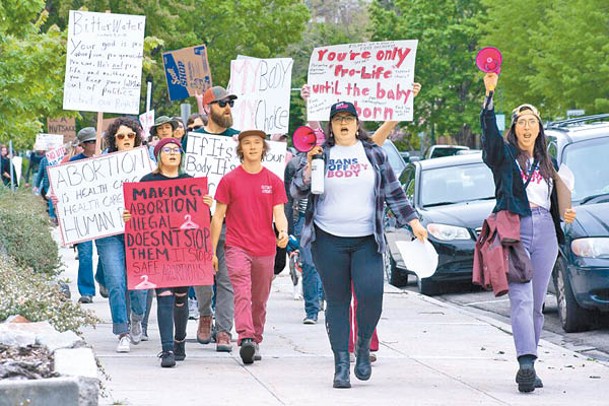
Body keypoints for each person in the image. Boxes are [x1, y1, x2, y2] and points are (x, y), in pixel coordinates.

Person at [291, 101, 427, 389]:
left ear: (356, 123)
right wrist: (308, 167)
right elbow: (296, 190)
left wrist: (413, 222)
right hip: (328, 240)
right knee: (338, 302)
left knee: (371, 296)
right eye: (338, 119)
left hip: (367, 240)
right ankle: (342, 364)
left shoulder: (374, 153)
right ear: (331, 125)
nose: (344, 123)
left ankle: (363, 345)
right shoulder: (321, 154)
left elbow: (394, 191)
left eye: (349, 119)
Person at [481, 73, 576, 393]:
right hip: (515, 229)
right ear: (514, 127)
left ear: (539, 128)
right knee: (520, 299)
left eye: (532, 121)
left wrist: (566, 213)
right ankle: (525, 362)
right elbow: (490, 141)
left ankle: (530, 363)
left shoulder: (548, 164)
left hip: (546, 231)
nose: (526, 126)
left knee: (536, 304)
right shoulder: (504, 157)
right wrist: (489, 98)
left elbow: (557, 203)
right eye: (521, 121)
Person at [123, 137, 213, 367]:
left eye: (176, 150)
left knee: (181, 299)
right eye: (167, 150)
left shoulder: (190, 182)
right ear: (158, 155)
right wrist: (128, 217)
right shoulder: (147, 181)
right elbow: (137, 215)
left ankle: (179, 341)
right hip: (159, 251)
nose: (172, 153)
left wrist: (206, 206)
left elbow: (203, 221)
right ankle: (166, 351)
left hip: (183, 251)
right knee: (164, 297)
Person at [211, 129, 288, 365]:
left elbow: (279, 213)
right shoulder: (229, 180)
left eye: (257, 143)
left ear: (263, 148)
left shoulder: (273, 181)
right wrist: (212, 251)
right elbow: (217, 217)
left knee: (260, 298)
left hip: (265, 248)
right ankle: (245, 337)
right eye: (247, 143)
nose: (252, 147)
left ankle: (255, 338)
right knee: (241, 292)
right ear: (240, 148)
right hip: (236, 247)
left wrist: (283, 232)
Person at [187, 85, 239, 353]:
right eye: (221, 104)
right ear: (207, 109)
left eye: (230, 103)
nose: (227, 108)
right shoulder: (191, 140)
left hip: (230, 218)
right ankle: (205, 315)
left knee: (227, 277)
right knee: (203, 274)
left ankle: (224, 329)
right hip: (198, 219)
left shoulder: (240, 139)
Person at [95, 117, 149, 353]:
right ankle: (122, 331)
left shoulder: (148, 162)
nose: (126, 140)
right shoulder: (99, 165)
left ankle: (137, 317)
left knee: (140, 285)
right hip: (110, 231)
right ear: (113, 140)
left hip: (140, 231)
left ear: (137, 137)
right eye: (121, 136)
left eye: (130, 135)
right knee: (116, 282)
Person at [69, 128, 99, 304]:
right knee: (86, 255)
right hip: (83, 216)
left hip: (104, 215)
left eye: (96, 141)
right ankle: (87, 291)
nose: (94, 145)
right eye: (91, 142)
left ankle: (103, 280)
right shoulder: (73, 163)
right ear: (83, 145)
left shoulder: (106, 160)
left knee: (107, 256)